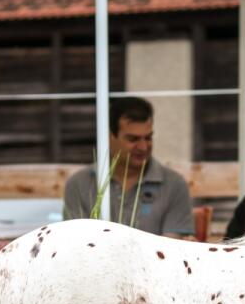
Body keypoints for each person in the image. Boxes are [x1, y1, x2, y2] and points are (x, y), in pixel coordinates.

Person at [63, 97, 194, 239]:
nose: (143, 147)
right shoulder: (78, 183)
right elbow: (76, 244)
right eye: (133, 139)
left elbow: (171, 248)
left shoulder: (174, 184)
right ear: (110, 137)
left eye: (148, 138)